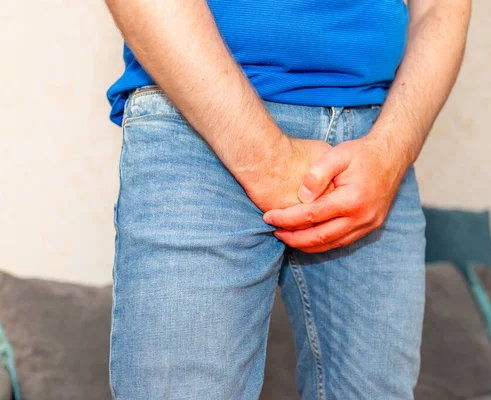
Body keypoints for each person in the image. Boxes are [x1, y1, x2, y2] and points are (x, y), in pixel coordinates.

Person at [104, 0, 471, 398]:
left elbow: (443, 7)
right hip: (198, 119)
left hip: (373, 144)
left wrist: (392, 150)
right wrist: (266, 158)